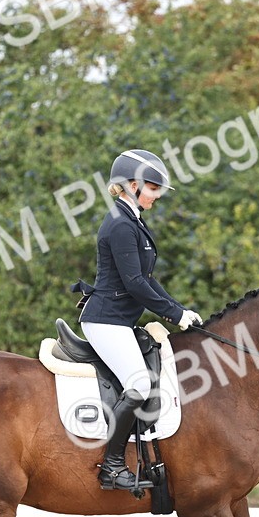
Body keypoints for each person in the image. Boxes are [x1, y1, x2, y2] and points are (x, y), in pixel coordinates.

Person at [78, 149, 203, 491]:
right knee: (139, 384)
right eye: (152, 187)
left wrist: (179, 309)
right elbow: (134, 284)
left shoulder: (132, 219)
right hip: (106, 320)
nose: (157, 195)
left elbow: (146, 278)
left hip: (119, 319)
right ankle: (112, 467)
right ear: (131, 185)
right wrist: (172, 313)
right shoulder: (120, 224)